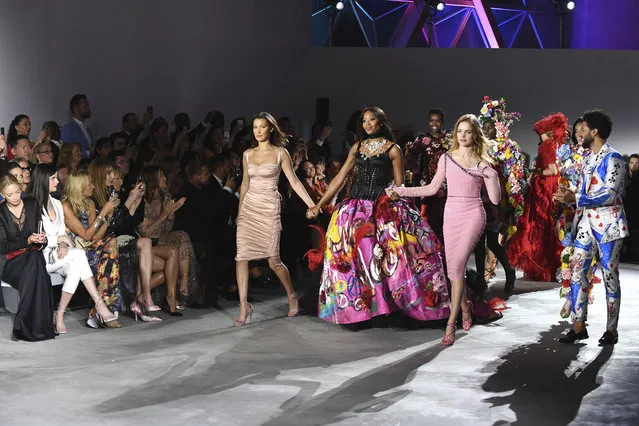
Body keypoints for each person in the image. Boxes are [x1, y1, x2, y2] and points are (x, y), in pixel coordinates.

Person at [307, 107, 450, 330]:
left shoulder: (393, 150)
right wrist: (319, 203)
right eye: (364, 121)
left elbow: (399, 185)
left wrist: (393, 204)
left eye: (372, 120)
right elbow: (340, 178)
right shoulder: (357, 147)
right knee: (351, 257)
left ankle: (384, 308)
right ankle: (359, 308)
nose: (367, 124)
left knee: (382, 258)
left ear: (381, 122)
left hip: (382, 208)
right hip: (355, 208)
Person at [389, 114, 501, 346]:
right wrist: (401, 190)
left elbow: (495, 200)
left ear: (475, 135)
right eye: (459, 131)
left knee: (458, 265)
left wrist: (492, 175)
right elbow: (431, 189)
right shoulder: (447, 158)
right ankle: (466, 309)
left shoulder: (483, 164)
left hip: (473, 215)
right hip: (451, 214)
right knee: (452, 272)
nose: (462, 135)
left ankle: (451, 324)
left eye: (468, 131)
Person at [234, 112, 316, 326]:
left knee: (273, 260)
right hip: (249, 209)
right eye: (255, 127)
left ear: (270, 129)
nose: (258, 131)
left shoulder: (281, 153)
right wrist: (239, 211)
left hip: (269, 209)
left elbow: (295, 182)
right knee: (242, 257)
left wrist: (311, 204)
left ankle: (291, 295)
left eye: (262, 126)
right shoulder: (247, 154)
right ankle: (244, 306)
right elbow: (244, 184)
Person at [554, 110, 628, 345]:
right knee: (577, 272)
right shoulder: (587, 160)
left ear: (594, 131)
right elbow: (583, 191)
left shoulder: (615, 158)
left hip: (609, 225)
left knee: (609, 276)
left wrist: (576, 199)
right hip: (586, 222)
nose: (579, 133)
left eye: (583, 129)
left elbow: (609, 194)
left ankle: (611, 330)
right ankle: (578, 326)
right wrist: (570, 194)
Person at [29, 164, 118, 333]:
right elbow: (34, 238)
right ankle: (98, 303)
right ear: (42, 181)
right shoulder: (31, 205)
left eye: (56, 177)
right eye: (53, 178)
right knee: (78, 255)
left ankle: (60, 315)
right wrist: (59, 240)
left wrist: (62, 242)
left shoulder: (56, 203)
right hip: (38, 257)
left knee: (76, 266)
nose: (57, 181)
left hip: (58, 255)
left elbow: (63, 233)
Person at [508, 113, 567, 282]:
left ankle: (542, 265)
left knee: (539, 224)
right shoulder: (552, 145)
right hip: (549, 186)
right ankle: (549, 265)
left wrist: (535, 172)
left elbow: (552, 171)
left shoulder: (545, 146)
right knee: (545, 224)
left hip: (544, 187)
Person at [62, 170, 121, 327]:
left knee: (112, 243)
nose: (93, 186)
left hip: (91, 247)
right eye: (90, 183)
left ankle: (98, 309)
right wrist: (103, 213)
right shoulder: (66, 206)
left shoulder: (89, 203)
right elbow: (86, 235)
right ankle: (103, 308)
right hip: (77, 252)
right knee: (108, 257)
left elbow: (95, 237)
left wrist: (108, 217)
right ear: (80, 186)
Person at [0, 174, 55, 341]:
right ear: (2, 194)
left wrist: (42, 239)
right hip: (11, 262)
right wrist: (27, 240)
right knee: (36, 264)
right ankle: (41, 327)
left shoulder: (32, 204)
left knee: (34, 257)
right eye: (10, 194)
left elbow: (40, 234)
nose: (15, 197)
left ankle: (24, 324)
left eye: (17, 192)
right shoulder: (0, 213)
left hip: (33, 257)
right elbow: (2, 246)